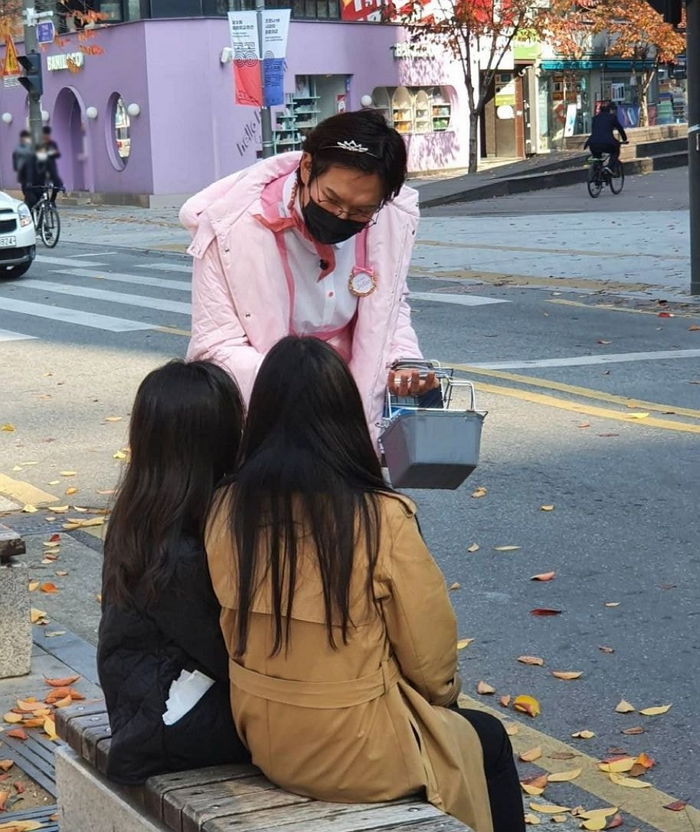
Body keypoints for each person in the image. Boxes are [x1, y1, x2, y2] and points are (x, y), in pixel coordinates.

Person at [206, 336, 524, 832]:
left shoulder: (227, 508)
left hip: (264, 737)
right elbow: (430, 659)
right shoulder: (380, 517)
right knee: (488, 740)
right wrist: (442, 705)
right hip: (359, 751)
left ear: (261, 416)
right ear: (346, 418)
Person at [181, 110, 438, 446]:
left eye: (361, 211)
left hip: (348, 421)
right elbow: (214, 347)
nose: (342, 216)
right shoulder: (229, 228)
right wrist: (304, 386)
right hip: (263, 419)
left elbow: (390, 305)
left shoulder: (389, 220)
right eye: (331, 199)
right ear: (306, 168)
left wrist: (403, 361)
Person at [97, 360, 250, 785]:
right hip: (167, 725)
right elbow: (235, 656)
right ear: (218, 442)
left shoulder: (145, 512)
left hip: (154, 705)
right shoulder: (176, 552)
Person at [584, 102, 628, 168]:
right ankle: (609, 168)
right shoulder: (612, 117)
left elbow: (595, 132)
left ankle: (596, 170)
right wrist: (624, 139)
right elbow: (620, 129)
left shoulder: (595, 118)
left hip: (593, 143)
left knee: (597, 157)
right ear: (610, 110)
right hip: (608, 143)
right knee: (615, 151)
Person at [19, 142, 60, 211]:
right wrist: (28, 182)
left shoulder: (47, 161)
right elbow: (26, 173)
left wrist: (59, 184)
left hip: (40, 186)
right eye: (41, 151)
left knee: (41, 204)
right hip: (29, 187)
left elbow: (54, 174)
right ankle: (29, 217)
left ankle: (40, 219)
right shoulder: (30, 161)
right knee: (32, 201)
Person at [12, 130, 33, 197]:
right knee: (25, 188)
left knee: (30, 189)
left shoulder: (31, 148)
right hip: (23, 172)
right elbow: (14, 159)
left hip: (31, 173)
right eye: (23, 138)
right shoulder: (18, 149)